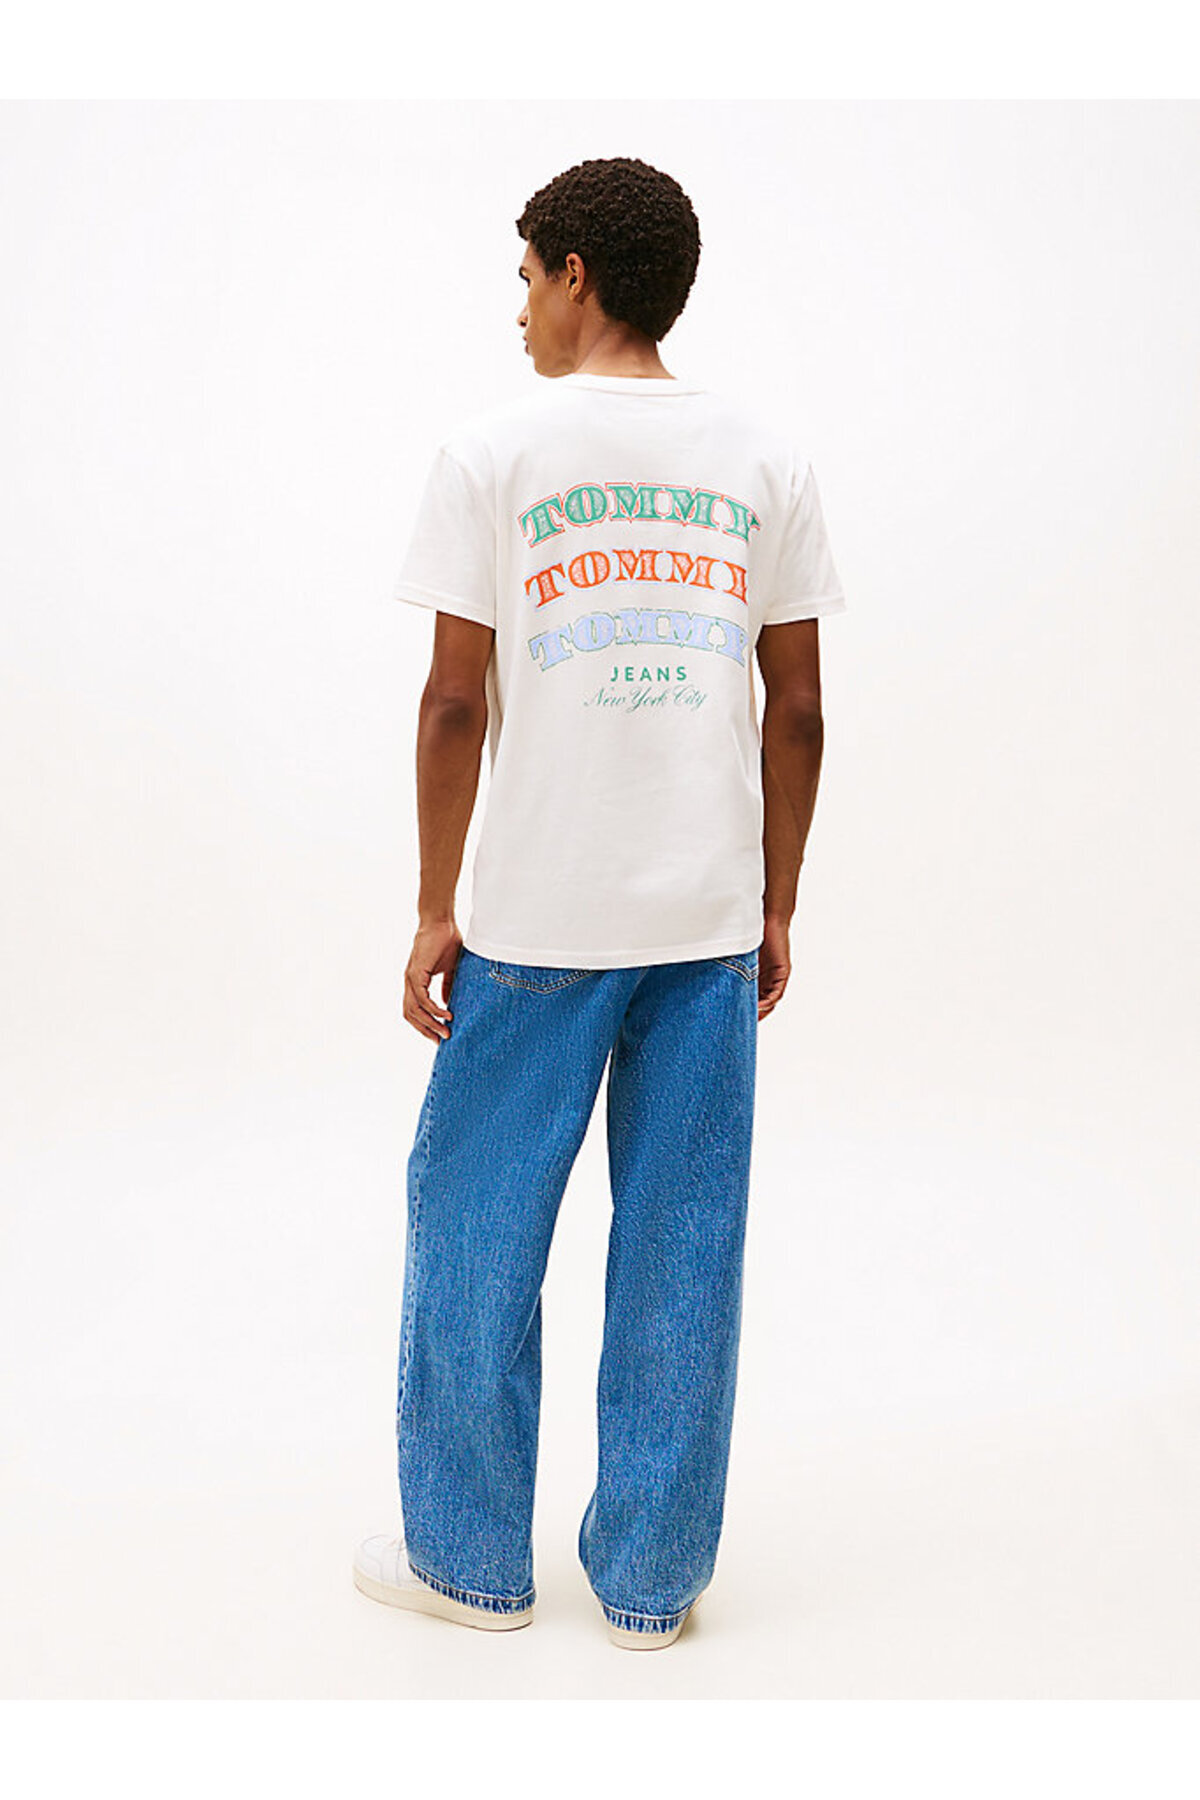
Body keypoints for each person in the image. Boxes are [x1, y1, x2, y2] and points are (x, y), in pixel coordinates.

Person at [353, 156, 847, 1650]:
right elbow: (799, 707)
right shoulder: (766, 459)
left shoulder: (492, 454)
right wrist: (777, 898)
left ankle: (467, 1567)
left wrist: (433, 905)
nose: (516, 310)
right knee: (684, 1246)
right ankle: (649, 1587)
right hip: (704, 924)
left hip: (537, 922)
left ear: (577, 273)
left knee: (476, 1228)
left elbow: (452, 702)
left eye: (524, 278)